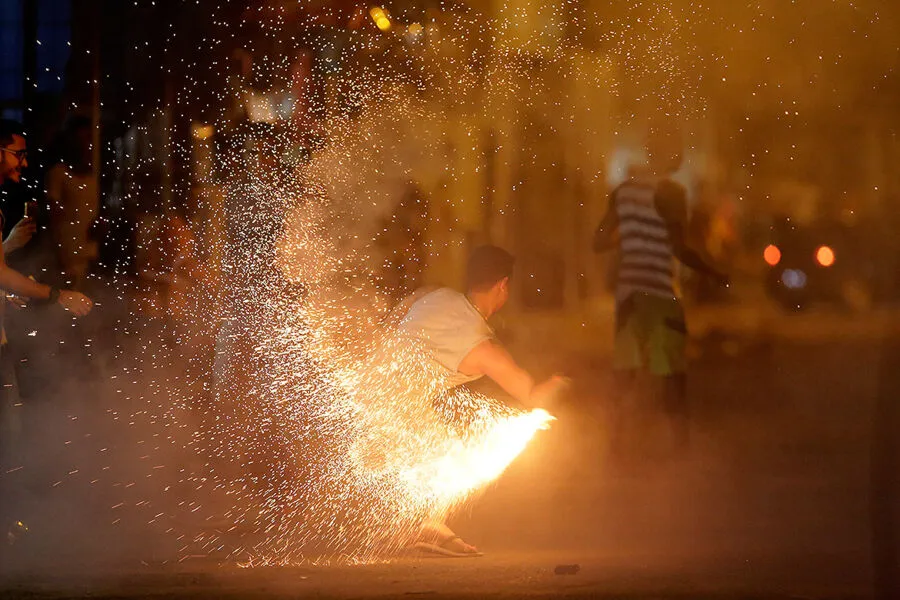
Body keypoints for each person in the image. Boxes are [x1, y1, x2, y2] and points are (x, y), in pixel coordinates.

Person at [393, 245, 568, 556]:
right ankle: (421, 525)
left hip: (359, 395)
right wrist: (562, 383)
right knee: (458, 451)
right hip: (391, 420)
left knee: (439, 432)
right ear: (503, 285)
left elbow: (396, 316)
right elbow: (533, 397)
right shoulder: (482, 347)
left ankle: (412, 521)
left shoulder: (437, 296)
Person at [592, 143, 727, 454]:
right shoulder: (673, 194)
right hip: (660, 293)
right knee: (671, 372)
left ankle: (614, 444)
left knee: (625, 370)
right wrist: (715, 271)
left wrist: (628, 232)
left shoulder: (624, 192)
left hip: (628, 295)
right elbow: (680, 249)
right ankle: (680, 448)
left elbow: (598, 242)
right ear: (672, 158)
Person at [45, 115, 99, 291]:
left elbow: (92, 213)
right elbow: (53, 212)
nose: (85, 145)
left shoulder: (91, 178)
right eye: (81, 139)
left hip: (87, 251)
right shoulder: (59, 173)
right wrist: (59, 253)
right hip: (65, 253)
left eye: (88, 139)